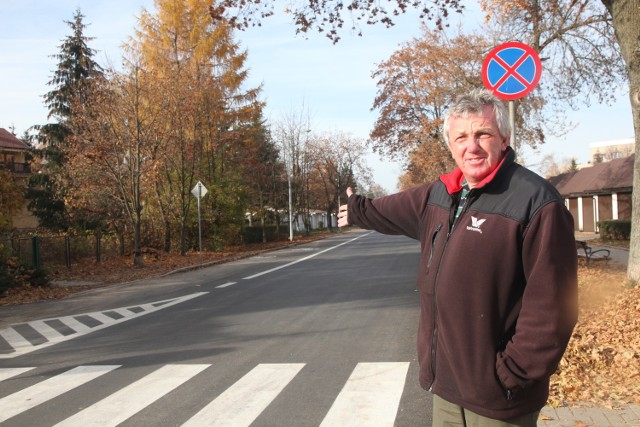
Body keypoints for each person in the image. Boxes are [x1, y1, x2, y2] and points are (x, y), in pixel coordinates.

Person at [337, 88, 578, 426]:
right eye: (461, 136)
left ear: (504, 139)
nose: (472, 146)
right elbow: (391, 209)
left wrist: (511, 375)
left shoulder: (536, 203)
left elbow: (553, 307)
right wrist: (358, 210)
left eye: (483, 134)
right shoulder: (441, 193)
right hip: (448, 389)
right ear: (450, 144)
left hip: (499, 397)